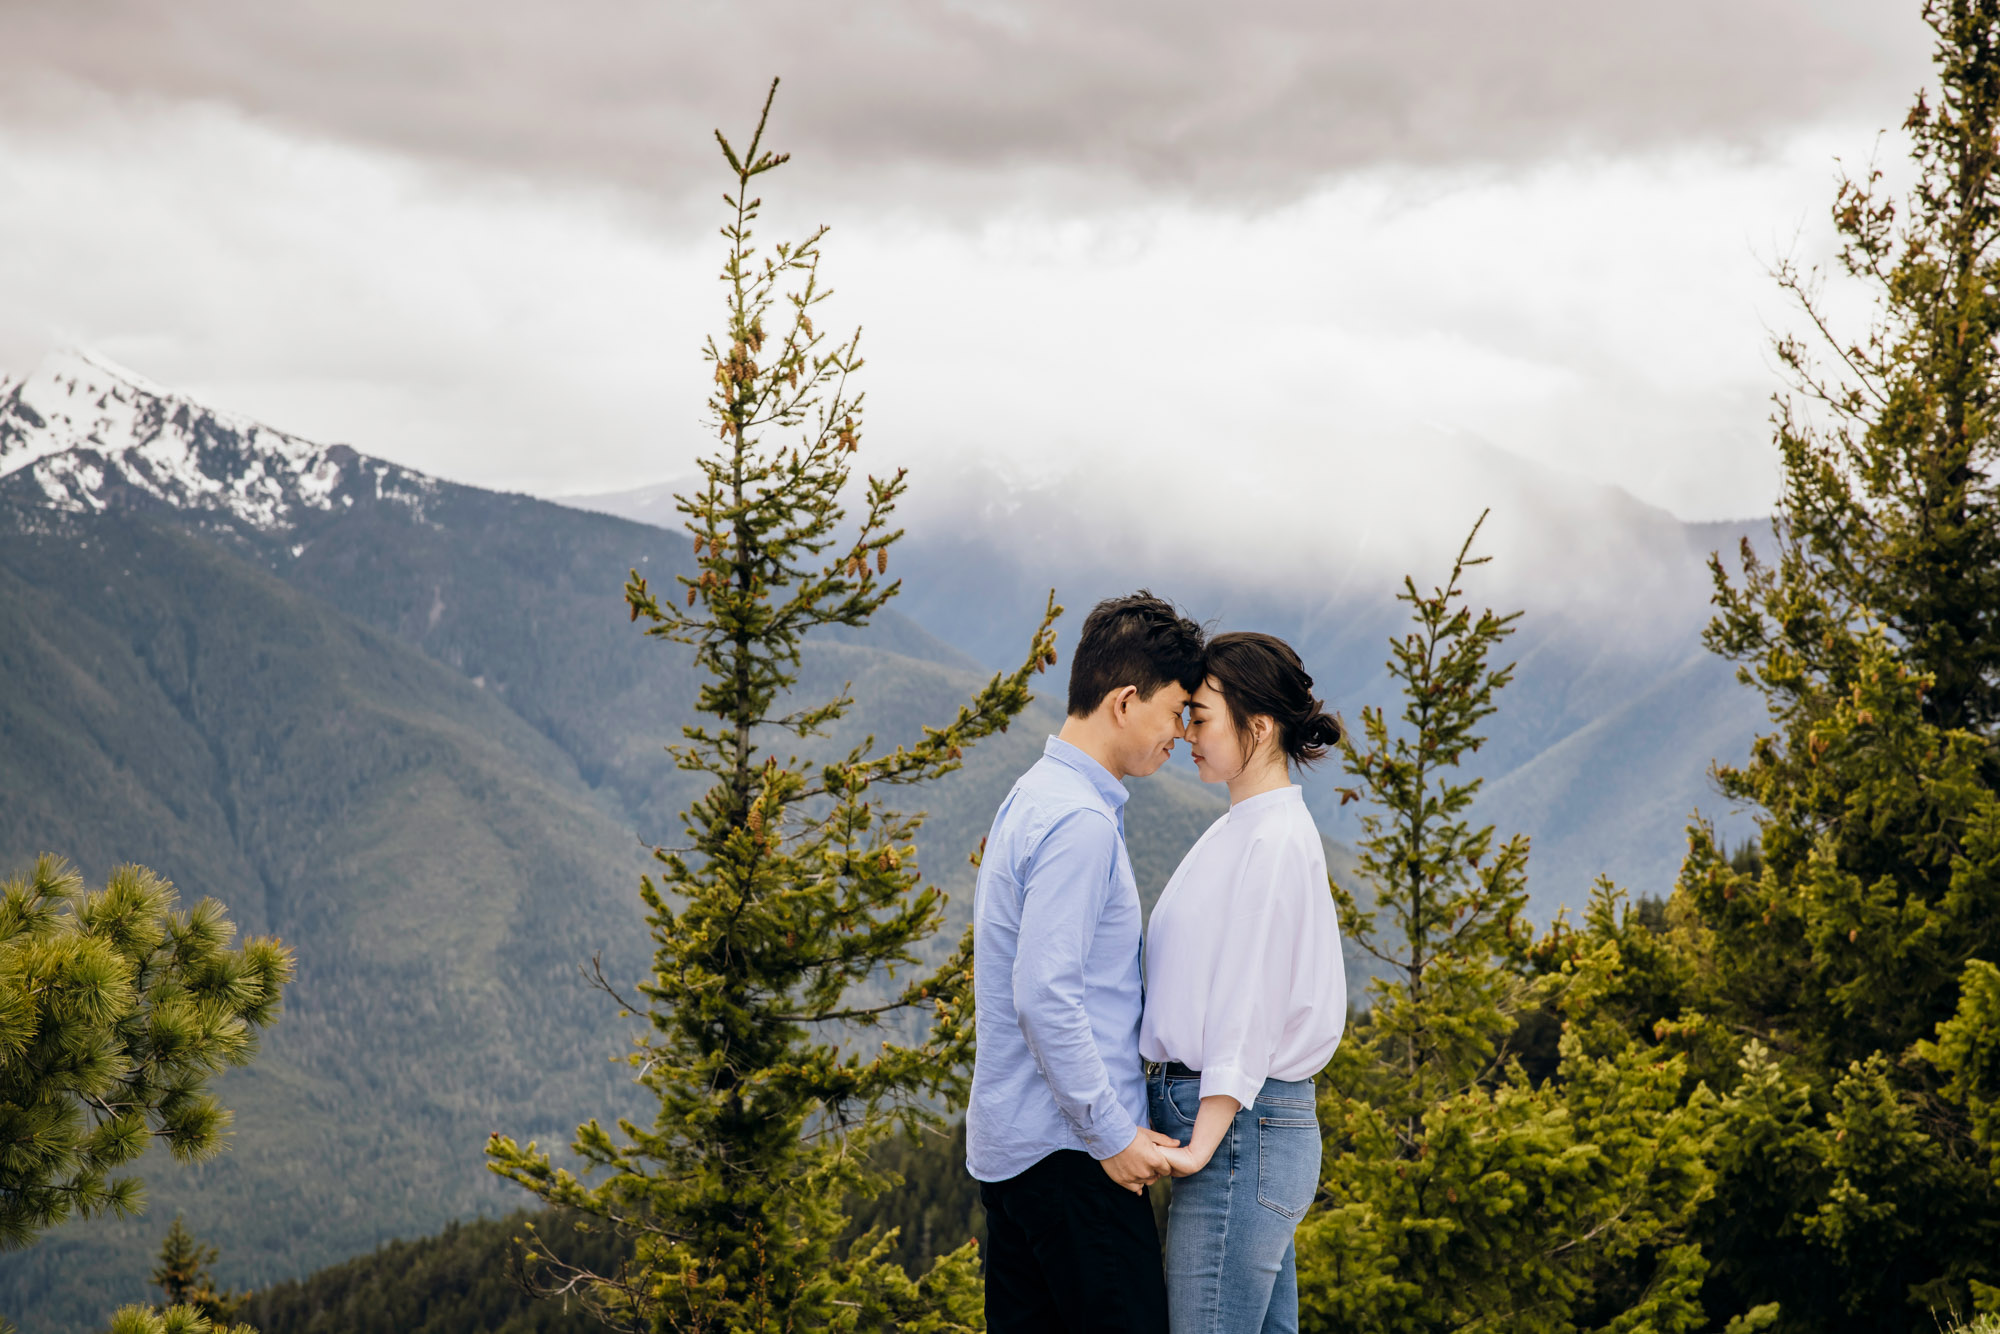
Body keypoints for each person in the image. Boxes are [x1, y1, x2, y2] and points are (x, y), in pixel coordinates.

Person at [967, 591, 1207, 1334]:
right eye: (1177, 711)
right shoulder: (1078, 824)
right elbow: (1045, 995)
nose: (1181, 732)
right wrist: (1113, 1137)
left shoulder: (1033, 796)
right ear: (1126, 701)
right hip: (1075, 1162)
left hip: (1018, 1157)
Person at [1141, 631, 1348, 1334]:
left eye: (1200, 716)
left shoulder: (1273, 839)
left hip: (1237, 1131)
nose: (1186, 731)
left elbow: (1249, 1003)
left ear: (1257, 727)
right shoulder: (1246, 827)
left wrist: (1204, 1137)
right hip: (1239, 1128)